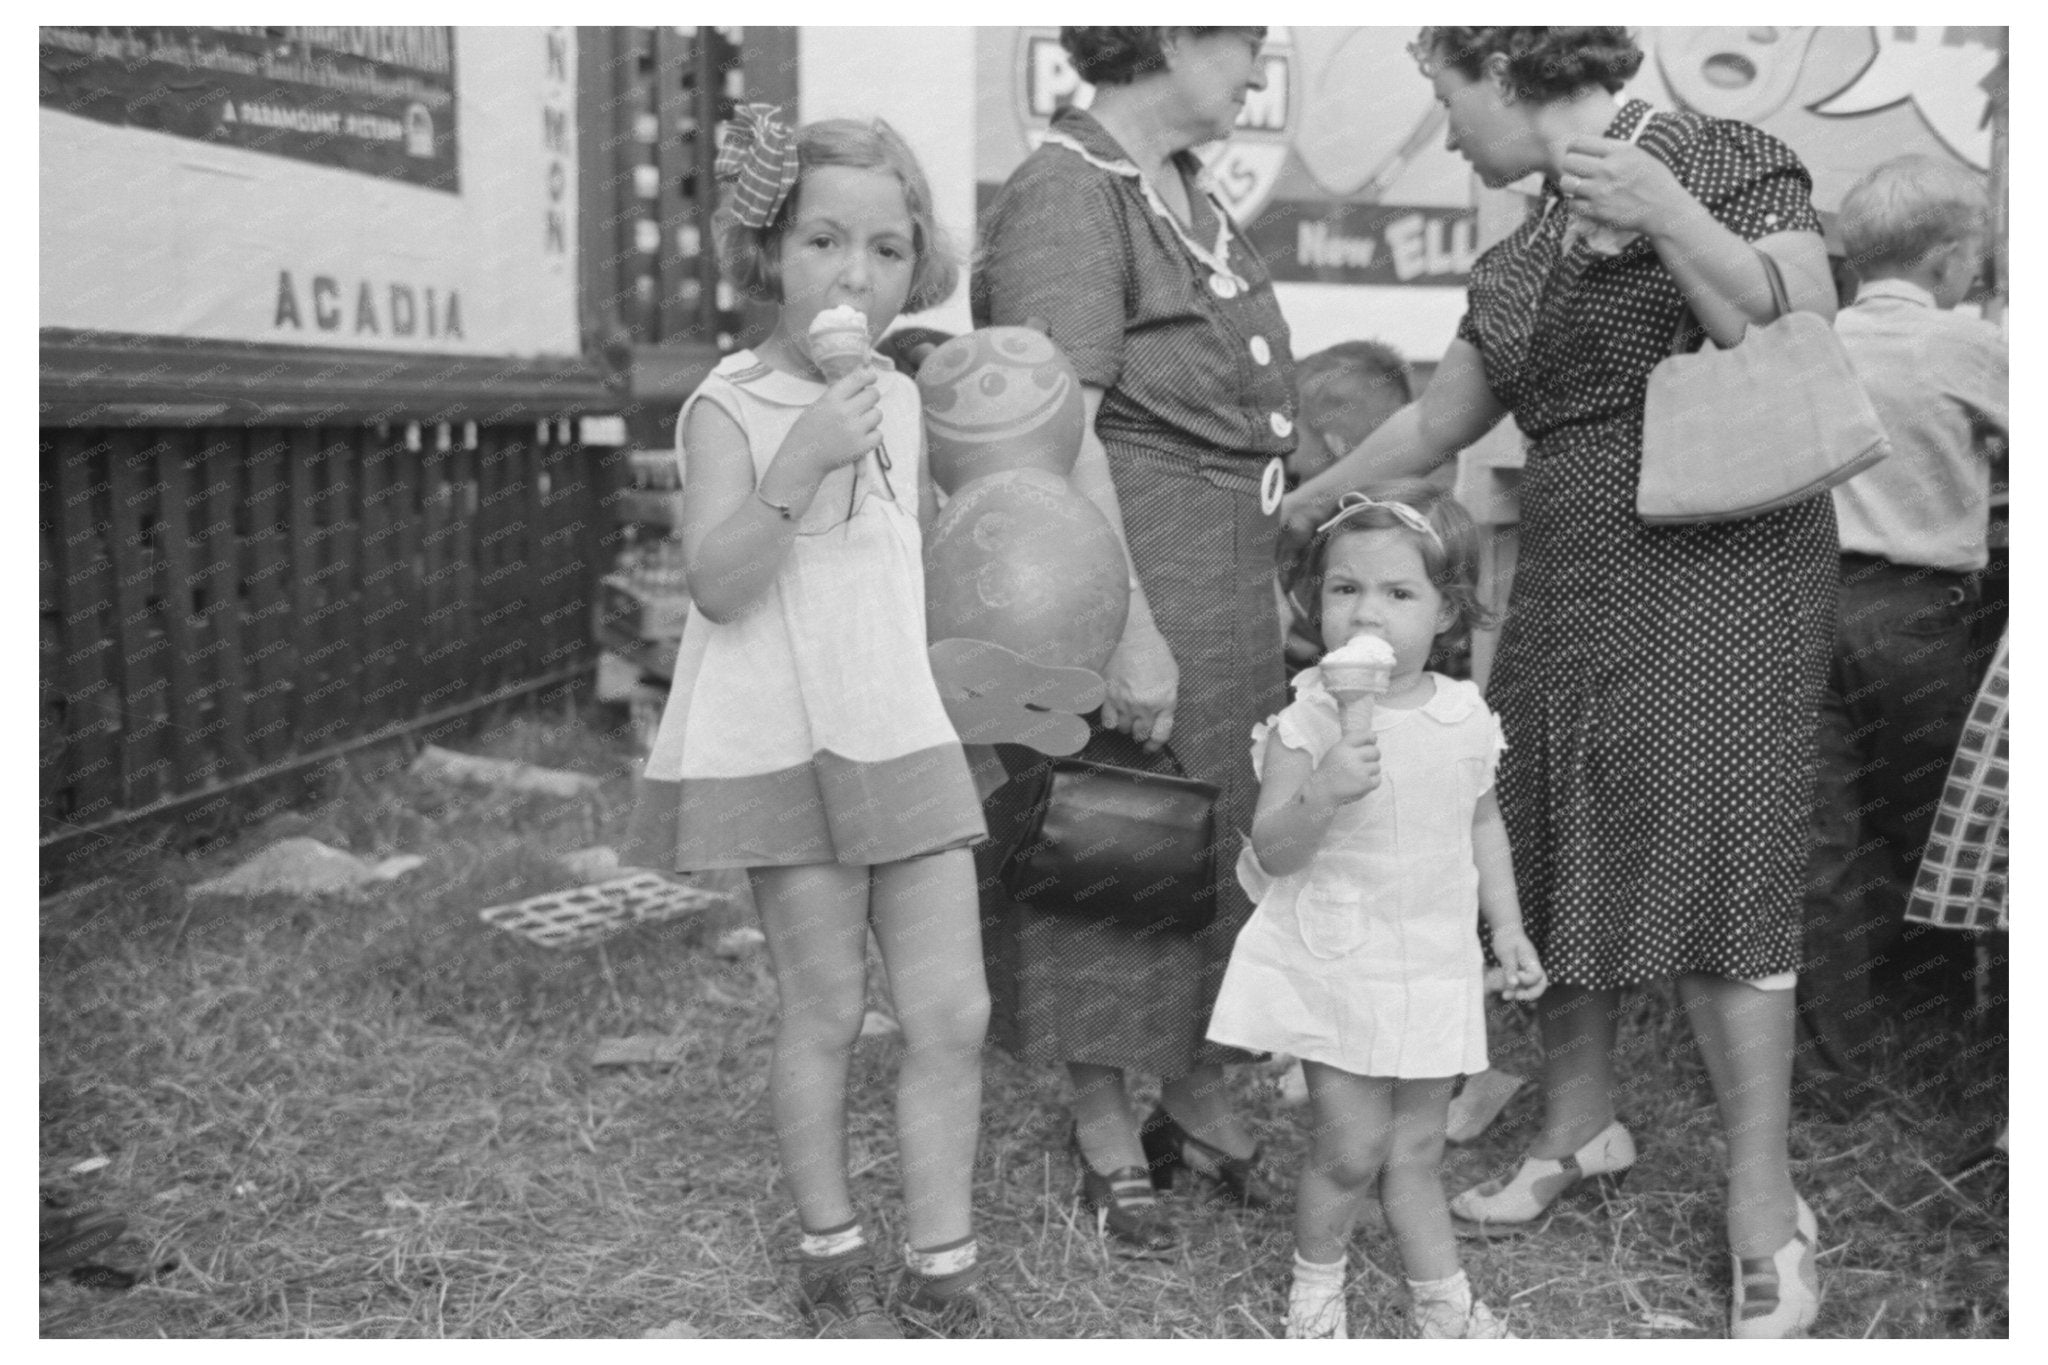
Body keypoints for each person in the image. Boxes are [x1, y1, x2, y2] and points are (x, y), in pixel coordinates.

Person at [1283, 28, 1837, 1338]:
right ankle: (1580, 1127)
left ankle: (1768, 1205)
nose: (1441, 130)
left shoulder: (1726, 155)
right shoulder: (1517, 248)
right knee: (1552, 842)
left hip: (1724, 561)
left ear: (1508, 69)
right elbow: (1438, 423)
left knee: (1715, 855)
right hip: (1575, 564)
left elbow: (1787, 312)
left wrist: (1669, 210)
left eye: (1443, 96)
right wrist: (1312, 495)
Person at [631, 106, 992, 1338]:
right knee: (826, 1004)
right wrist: (797, 465)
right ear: (770, 251)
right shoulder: (725, 407)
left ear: (915, 265)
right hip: (789, 739)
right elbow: (723, 586)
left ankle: (941, 1252)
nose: (855, 274)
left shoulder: (897, 396)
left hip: (899, 726)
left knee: (953, 1011)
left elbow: (909, 570)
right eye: (825, 242)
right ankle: (829, 1245)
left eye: (887, 250)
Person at [971, 25, 1298, 1257]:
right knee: (1114, 839)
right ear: (1170, 31)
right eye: (1247, 41)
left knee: (1210, 845)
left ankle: (1194, 1081)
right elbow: (1059, 433)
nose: (1258, 69)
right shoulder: (1069, 189)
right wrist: (1127, 626)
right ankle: (1106, 1120)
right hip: (1133, 566)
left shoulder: (1181, 190)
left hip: (1221, 567)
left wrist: (1256, 579)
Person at [1210, 484, 1544, 1339]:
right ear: (1313, 601)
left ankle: (1444, 1307)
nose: (1368, 611)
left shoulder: (1463, 714)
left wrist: (1505, 929)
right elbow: (1274, 850)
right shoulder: (1307, 719)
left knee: (1418, 1150)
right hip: (1343, 956)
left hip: (1431, 962)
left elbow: (1483, 824)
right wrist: (1321, 791)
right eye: (1345, 588)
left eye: (1399, 594)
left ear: (1447, 613)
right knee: (1352, 1145)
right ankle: (1315, 1296)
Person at [1798, 154, 2009, 1106]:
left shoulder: (1813, 339)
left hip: (1808, 610)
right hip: (1920, 620)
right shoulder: (1962, 344)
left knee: (1824, 851)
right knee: (1942, 836)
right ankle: (1946, 1049)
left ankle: (1830, 1074)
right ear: (1949, 258)